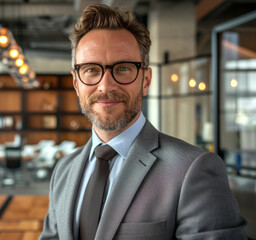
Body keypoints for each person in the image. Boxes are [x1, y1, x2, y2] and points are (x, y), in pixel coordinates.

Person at [39, 4, 247, 240]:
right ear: (77, 83)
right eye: (91, 70)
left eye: (124, 68)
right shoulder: (64, 170)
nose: (106, 86)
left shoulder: (194, 170)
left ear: (146, 80)